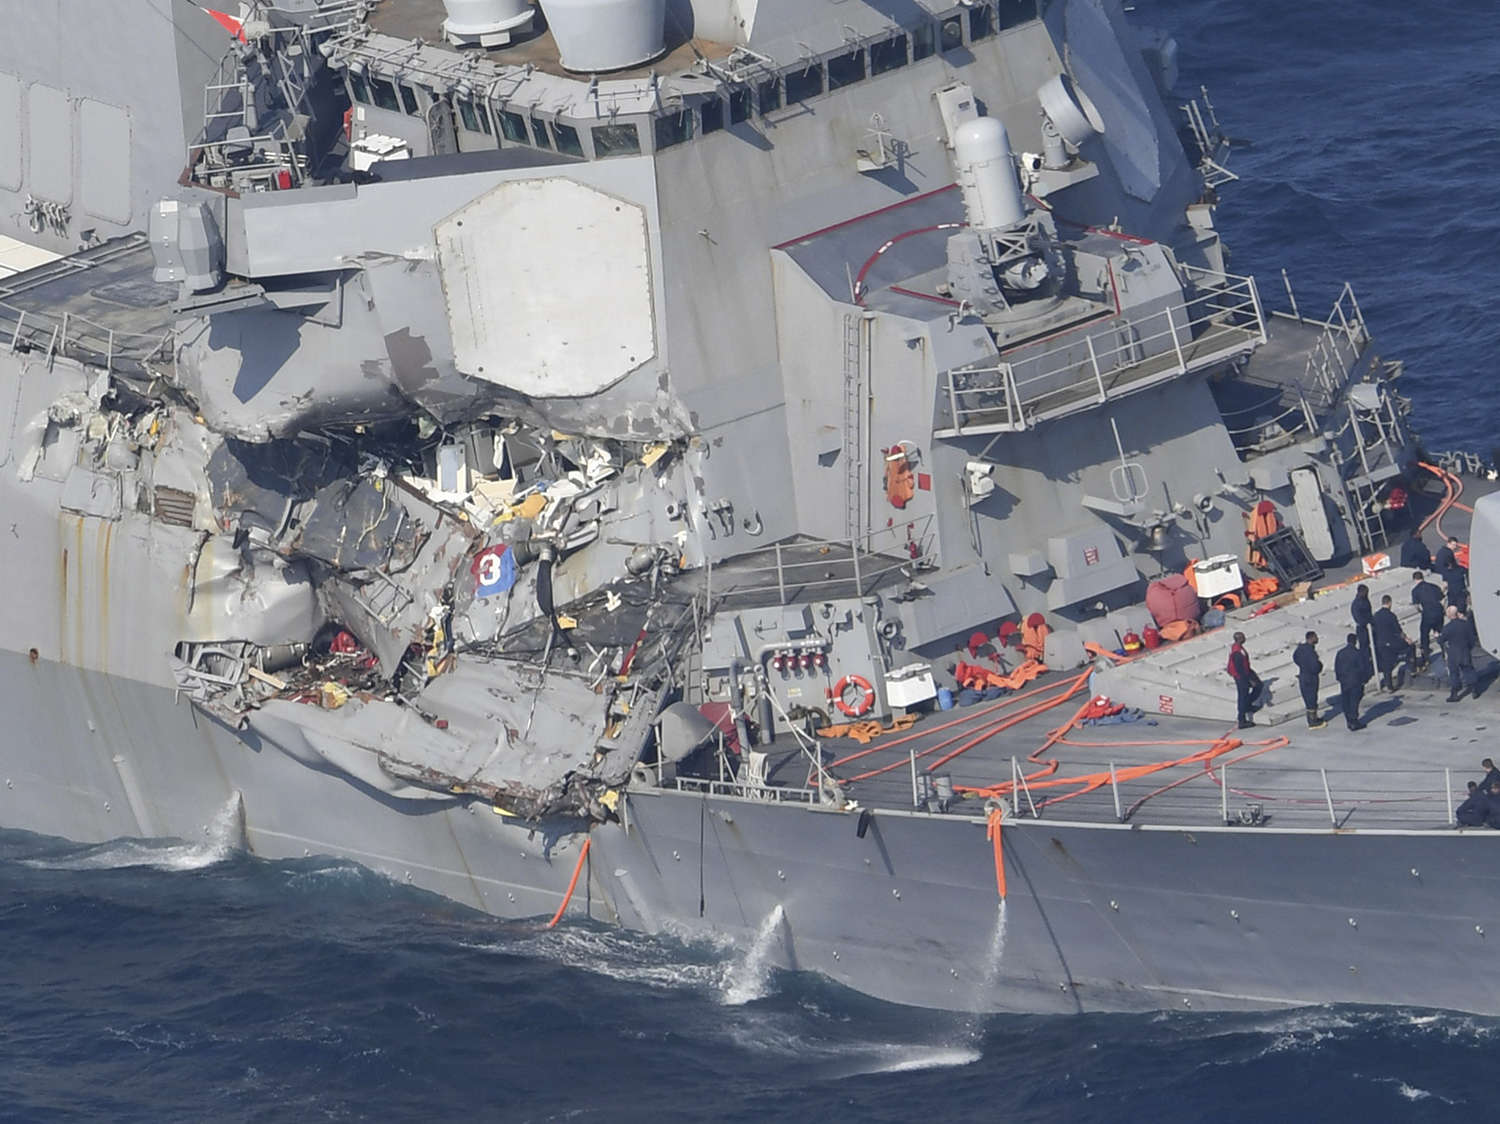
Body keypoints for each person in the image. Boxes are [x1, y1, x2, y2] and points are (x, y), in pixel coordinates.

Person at [1371, 594, 1410, 691]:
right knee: (1409, 648)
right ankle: (1412, 669)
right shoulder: (1391, 616)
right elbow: (1398, 630)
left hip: (1381, 643)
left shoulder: (1376, 615)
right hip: (1391, 643)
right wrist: (1406, 639)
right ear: (1389, 603)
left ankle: (1389, 686)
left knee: (1386, 665)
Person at [1440, 605, 1479, 703]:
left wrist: (1437, 636)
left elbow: (1441, 640)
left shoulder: (1447, 627)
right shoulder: (1465, 624)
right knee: (1469, 670)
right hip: (1465, 651)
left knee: (1454, 674)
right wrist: (1468, 648)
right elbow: (1472, 639)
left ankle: (1455, 694)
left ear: (1449, 615)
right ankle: (1474, 689)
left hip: (1453, 654)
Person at [1333, 632, 1369, 731]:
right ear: (1355, 641)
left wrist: (1339, 678)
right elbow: (1362, 668)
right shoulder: (1357, 653)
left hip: (1344, 681)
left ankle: (1349, 720)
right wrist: (1364, 679)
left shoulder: (1340, 652)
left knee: (1346, 701)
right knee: (1354, 701)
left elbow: (1337, 666)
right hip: (1355, 681)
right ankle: (1354, 721)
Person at [1226, 631, 1262, 729]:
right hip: (1241, 675)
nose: (1245, 638)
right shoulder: (1237, 652)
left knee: (1259, 686)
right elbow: (1239, 668)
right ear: (1239, 639)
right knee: (1243, 695)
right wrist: (1249, 680)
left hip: (1245, 671)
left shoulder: (1237, 648)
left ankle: (1248, 705)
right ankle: (1242, 719)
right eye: (1242, 637)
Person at [1292, 631, 1326, 729]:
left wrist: (1303, 666)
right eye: (1316, 637)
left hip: (1303, 675)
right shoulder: (1310, 652)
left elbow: (1295, 658)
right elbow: (1315, 666)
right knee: (1311, 698)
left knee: (1308, 698)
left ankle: (1313, 718)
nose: (1317, 639)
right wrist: (1319, 666)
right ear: (1311, 638)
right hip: (1310, 678)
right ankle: (1312, 721)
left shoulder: (1300, 649)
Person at [1410, 571, 1445, 666]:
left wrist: (1420, 611)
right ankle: (1445, 650)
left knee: (1424, 634)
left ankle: (1426, 656)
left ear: (1415, 579)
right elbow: (1442, 598)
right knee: (1440, 631)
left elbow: (1417, 606)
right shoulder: (1433, 586)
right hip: (1438, 612)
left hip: (1427, 614)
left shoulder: (1415, 591)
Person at [1351, 585, 1373, 657]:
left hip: (1369, 627)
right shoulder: (1356, 604)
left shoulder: (1365, 600)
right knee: (1364, 647)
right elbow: (1358, 618)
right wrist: (1367, 622)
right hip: (1362, 629)